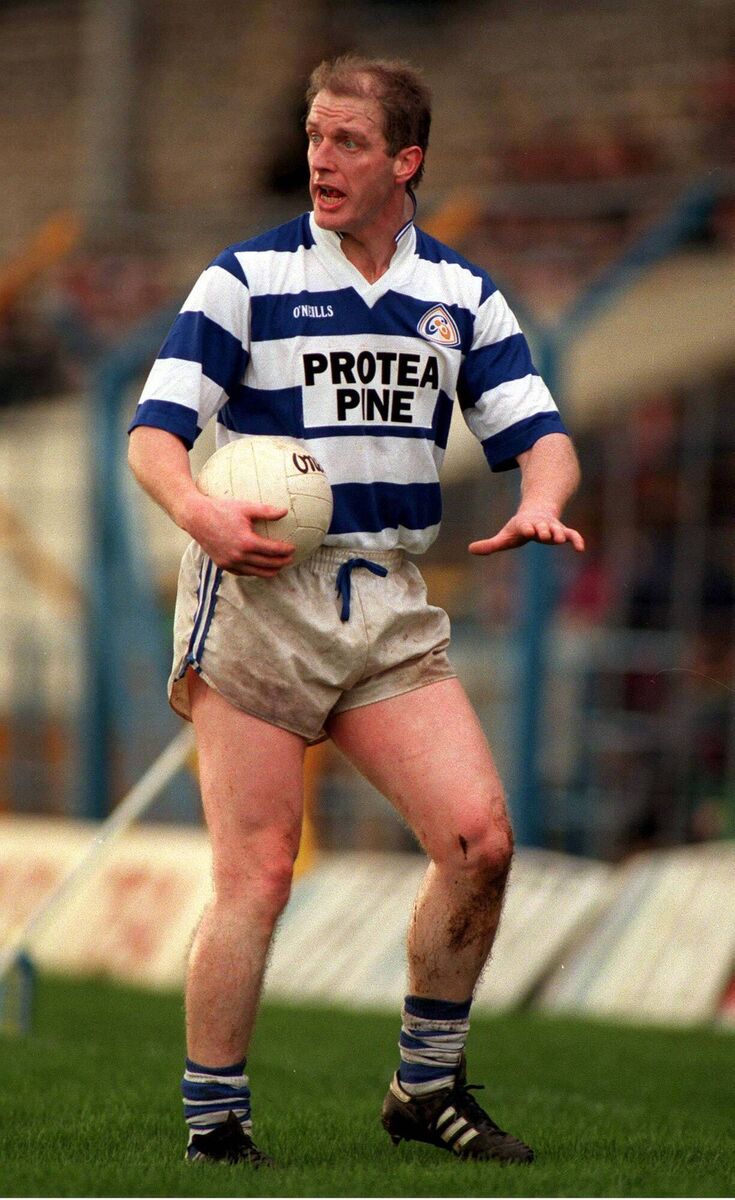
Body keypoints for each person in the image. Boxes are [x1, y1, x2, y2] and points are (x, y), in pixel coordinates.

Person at [128, 54, 584, 1168]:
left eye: (347, 142)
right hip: (257, 594)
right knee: (261, 871)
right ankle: (215, 1128)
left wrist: (540, 502)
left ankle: (424, 1092)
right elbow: (152, 439)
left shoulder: (462, 298)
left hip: (385, 599)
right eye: (312, 136)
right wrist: (202, 515)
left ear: (406, 161)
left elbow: (545, 435)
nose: (319, 160)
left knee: (479, 841)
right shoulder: (244, 278)